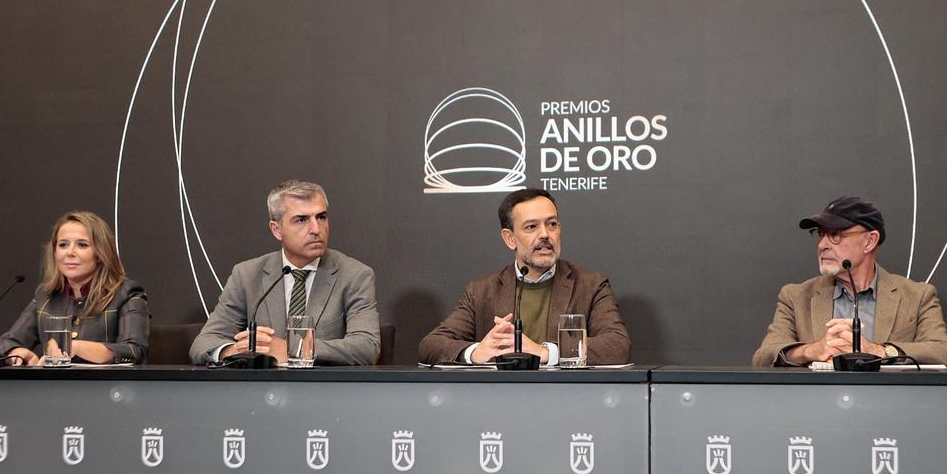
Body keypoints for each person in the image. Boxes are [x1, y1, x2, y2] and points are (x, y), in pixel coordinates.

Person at [419, 188, 630, 365]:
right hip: (498, 402)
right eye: (531, 227)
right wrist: (477, 352)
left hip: (566, 400)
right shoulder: (482, 291)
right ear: (510, 238)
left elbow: (617, 345)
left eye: (552, 224)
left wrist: (546, 352)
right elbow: (432, 345)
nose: (545, 234)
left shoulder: (591, 285)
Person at [189, 180, 379, 365]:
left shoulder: (355, 275)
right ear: (277, 229)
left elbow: (366, 347)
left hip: (323, 392)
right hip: (260, 393)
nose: (316, 229)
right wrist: (235, 351)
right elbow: (204, 343)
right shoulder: (247, 275)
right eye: (301, 220)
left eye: (321, 217)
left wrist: (291, 349)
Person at [752, 196, 947, 367]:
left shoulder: (917, 296)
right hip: (818, 406)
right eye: (820, 234)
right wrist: (812, 350)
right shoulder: (796, 296)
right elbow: (763, 357)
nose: (822, 245)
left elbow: (942, 353)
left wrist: (876, 351)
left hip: (889, 406)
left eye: (835, 235)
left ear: (869, 241)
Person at [0, 210, 149, 364]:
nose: (70, 252)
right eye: (63, 245)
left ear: (101, 254)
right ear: (55, 252)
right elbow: (6, 343)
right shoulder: (46, 295)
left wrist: (73, 347)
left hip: (105, 387)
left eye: (82, 245)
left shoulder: (126, 294)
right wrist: (17, 352)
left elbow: (134, 351)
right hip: (53, 387)